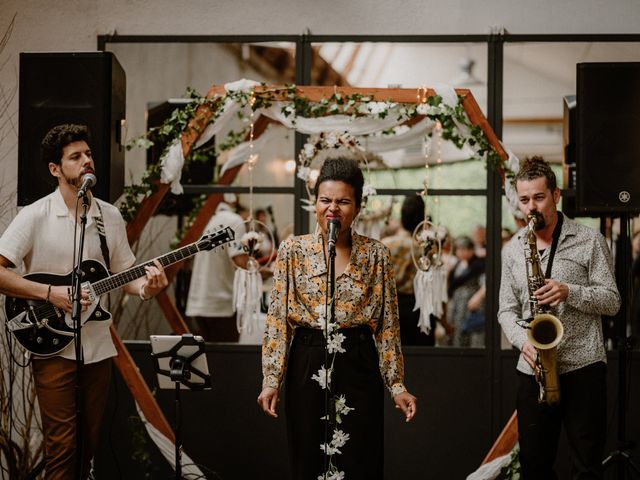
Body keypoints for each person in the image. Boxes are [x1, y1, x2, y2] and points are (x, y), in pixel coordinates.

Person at [0, 124, 168, 479]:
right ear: (55, 169)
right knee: (62, 446)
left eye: (88, 154)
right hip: (52, 345)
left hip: (97, 348)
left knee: (87, 448)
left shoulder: (109, 216)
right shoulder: (35, 215)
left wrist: (148, 287)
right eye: (75, 157)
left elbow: (128, 275)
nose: (87, 161)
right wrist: (50, 293)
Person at [257, 157, 417, 480]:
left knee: (361, 460)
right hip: (307, 360)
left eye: (343, 201)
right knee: (308, 461)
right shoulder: (292, 251)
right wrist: (271, 378)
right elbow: (277, 320)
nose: (333, 208)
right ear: (315, 203)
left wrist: (397, 384)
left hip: (358, 363)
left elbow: (388, 326)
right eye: (325, 200)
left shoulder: (377, 255)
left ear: (357, 206)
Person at [498, 156, 620, 479]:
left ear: (556, 195)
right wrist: (523, 341)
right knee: (534, 467)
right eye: (524, 200)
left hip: (583, 366)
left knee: (586, 467)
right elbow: (506, 311)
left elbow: (613, 301)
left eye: (538, 197)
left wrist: (570, 291)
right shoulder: (513, 249)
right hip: (534, 369)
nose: (531, 207)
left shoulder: (589, 239)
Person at [186, 193, 248, 342]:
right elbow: (240, 262)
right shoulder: (235, 221)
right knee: (225, 360)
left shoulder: (205, 220)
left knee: (207, 360)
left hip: (199, 301)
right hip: (221, 303)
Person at [382, 195, 435, 345]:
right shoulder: (427, 248)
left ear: (402, 217)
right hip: (420, 309)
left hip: (391, 308)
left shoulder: (386, 245)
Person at [447, 235, 485, 347]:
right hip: (457, 304)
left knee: (473, 337)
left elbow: (485, 283)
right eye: (458, 249)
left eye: (463, 249)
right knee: (457, 335)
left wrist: (478, 296)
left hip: (471, 304)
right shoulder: (457, 265)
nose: (460, 252)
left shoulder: (479, 264)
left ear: (471, 250)